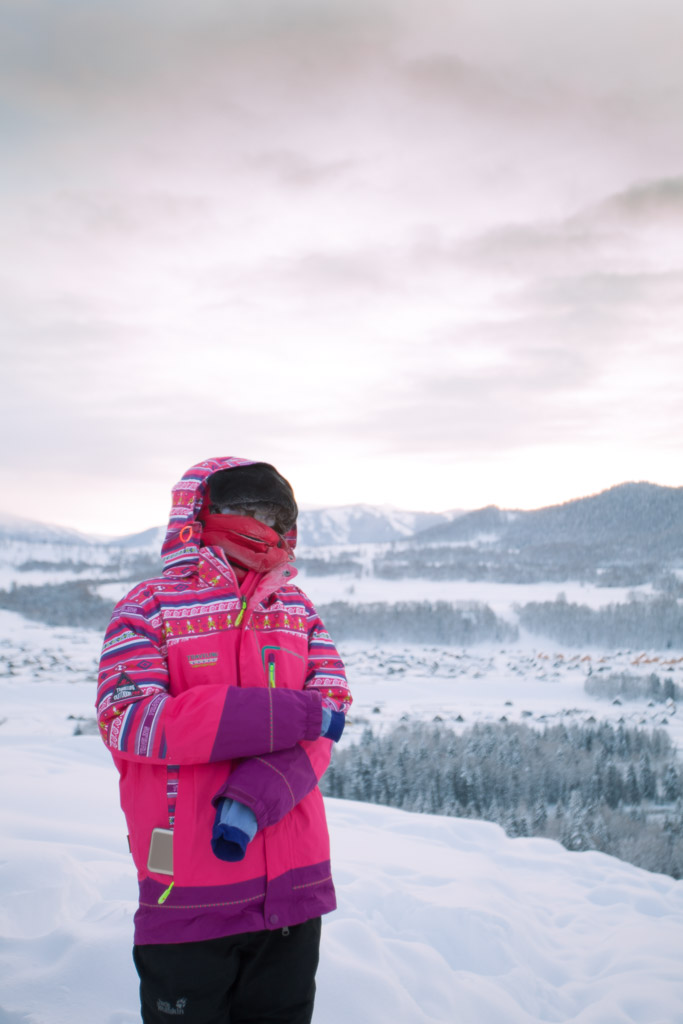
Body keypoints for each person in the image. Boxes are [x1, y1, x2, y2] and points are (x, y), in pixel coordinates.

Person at [96, 457, 352, 1024]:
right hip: (186, 897)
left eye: (275, 515)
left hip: (292, 891)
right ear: (197, 512)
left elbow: (330, 714)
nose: (263, 526)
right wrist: (286, 714)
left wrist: (254, 797)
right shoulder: (148, 609)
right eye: (246, 510)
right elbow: (130, 718)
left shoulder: (296, 610)